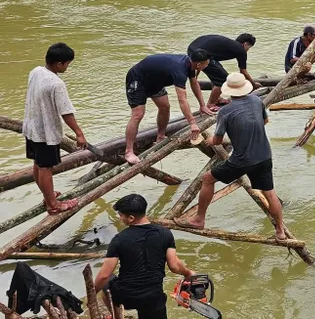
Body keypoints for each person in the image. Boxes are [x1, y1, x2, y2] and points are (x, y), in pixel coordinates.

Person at [177, 73, 287, 240]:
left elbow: (218, 140)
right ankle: (280, 231)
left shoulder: (225, 112)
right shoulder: (257, 101)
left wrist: (207, 142)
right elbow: (264, 122)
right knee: (269, 193)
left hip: (242, 160)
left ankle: (199, 219)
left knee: (207, 179)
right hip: (264, 155)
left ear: (228, 92)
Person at [95, 194, 195, 319]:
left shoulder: (119, 239)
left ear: (131, 218)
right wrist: (188, 273)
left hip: (125, 296)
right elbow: (174, 266)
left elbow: (104, 275)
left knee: (108, 281)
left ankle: (117, 316)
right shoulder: (165, 233)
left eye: (121, 215)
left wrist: (92, 294)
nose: (120, 218)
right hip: (153, 299)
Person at [23, 43, 86, 215]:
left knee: (38, 163)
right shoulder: (56, 84)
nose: (67, 67)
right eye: (67, 64)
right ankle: (53, 205)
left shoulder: (36, 71)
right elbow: (66, 112)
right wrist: (79, 134)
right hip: (45, 132)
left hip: (31, 127)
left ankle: (47, 195)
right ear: (59, 64)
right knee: (46, 168)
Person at [124, 52, 211, 165]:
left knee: (165, 106)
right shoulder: (180, 71)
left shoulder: (190, 64)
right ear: (199, 64)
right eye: (207, 63)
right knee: (138, 114)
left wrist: (202, 105)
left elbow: (194, 84)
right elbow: (182, 99)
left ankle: (160, 136)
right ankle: (128, 152)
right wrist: (192, 123)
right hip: (138, 79)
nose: (208, 65)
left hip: (155, 81)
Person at [187, 33, 258, 111]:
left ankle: (217, 98)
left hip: (192, 49)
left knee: (217, 73)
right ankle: (211, 104)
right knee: (223, 79)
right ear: (245, 44)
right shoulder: (241, 50)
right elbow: (243, 72)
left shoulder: (231, 45)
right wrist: (253, 85)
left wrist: (196, 73)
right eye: (249, 47)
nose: (248, 50)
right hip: (200, 53)